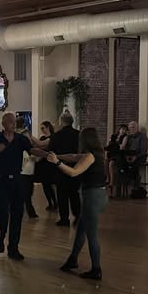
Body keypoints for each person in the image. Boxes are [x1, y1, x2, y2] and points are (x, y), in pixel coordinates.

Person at [48, 127, 108, 280]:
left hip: (93, 197)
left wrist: (57, 162)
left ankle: (96, 269)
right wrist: (56, 156)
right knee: (82, 229)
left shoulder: (89, 156)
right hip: (97, 195)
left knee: (92, 235)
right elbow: (73, 156)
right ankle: (72, 259)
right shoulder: (96, 154)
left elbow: (74, 172)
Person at [0, 112, 35, 260]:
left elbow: (32, 150)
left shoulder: (21, 139)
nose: (13, 124)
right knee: (3, 211)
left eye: (14, 121)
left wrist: (47, 154)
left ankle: (13, 248)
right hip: (1, 179)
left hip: (18, 179)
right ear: (3, 124)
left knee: (18, 213)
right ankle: (0, 237)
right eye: (9, 121)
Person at [48, 112, 81, 226]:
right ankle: (78, 216)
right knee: (74, 193)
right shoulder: (79, 134)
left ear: (61, 122)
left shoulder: (56, 136)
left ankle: (64, 218)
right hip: (75, 168)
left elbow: (50, 151)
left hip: (60, 168)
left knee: (62, 194)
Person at [16, 117, 39, 219]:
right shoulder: (26, 134)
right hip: (27, 164)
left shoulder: (13, 134)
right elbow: (33, 146)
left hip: (19, 164)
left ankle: (21, 210)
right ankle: (30, 212)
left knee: (20, 189)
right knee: (28, 190)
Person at [122, 120, 148, 197]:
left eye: (133, 127)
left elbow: (143, 150)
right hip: (130, 155)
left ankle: (135, 184)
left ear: (137, 128)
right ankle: (128, 180)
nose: (132, 129)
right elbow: (126, 149)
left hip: (140, 156)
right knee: (122, 162)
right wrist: (127, 157)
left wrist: (135, 157)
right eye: (130, 128)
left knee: (134, 165)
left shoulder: (142, 137)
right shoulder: (128, 137)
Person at [36, 120, 58, 211]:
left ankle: (55, 203)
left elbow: (41, 145)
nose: (42, 130)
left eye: (43, 128)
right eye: (41, 128)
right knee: (45, 185)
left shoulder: (52, 138)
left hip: (49, 164)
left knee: (49, 185)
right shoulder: (42, 138)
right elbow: (39, 147)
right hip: (42, 164)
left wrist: (28, 135)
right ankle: (50, 203)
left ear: (48, 127)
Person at [105, 124, 128, 198]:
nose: (123, 131)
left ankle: (112, 182)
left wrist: (114, 145)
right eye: (122, 129)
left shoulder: (125, 137)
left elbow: (122, 147)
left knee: (111, 163)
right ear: (119, 129)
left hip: (119, 155)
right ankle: (107, 179)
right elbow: (109, 145)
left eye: (125, 129)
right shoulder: (113, 136)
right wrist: (116, 145)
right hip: (112, 153)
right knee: (105, 161)